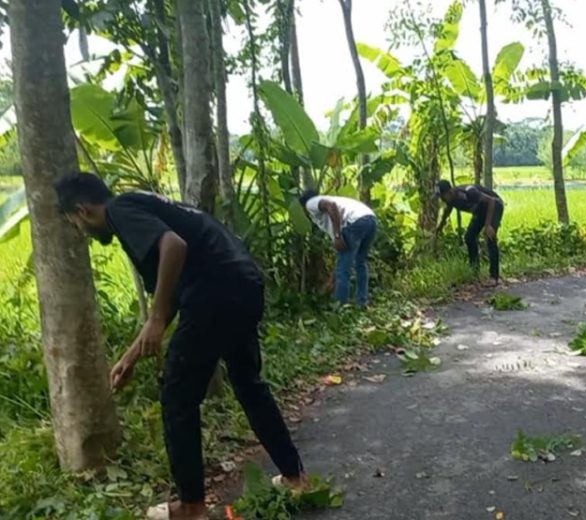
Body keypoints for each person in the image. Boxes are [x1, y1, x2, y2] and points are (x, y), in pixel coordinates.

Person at [55, 173, 305, 520]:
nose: (83, 234)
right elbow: (170, 292)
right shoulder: (144, 204)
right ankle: (294, 477)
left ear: (82, 211)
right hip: (243, 285)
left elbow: (174, 246)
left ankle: (191, 507)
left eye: (75, 225)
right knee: (248, 384)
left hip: (213, 293)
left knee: (177, 397)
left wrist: (156, 321)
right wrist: (130, 357)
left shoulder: (120, 210)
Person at [299, 190, 378, 307]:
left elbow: (331, 206)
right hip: (371, 220)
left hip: (354, 222)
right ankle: (362, 302)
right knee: (360, 262)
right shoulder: (334, 200)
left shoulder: (310, 203)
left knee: (343, 270)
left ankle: (340, 308)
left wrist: (337, 235)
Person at [435, 180, 504, 285]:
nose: (442, 200)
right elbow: (447, 210)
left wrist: (488, 225)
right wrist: (440, 227)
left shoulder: (469, 192)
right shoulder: (450, 199)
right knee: (469, 237)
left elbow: (491, 201)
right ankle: (474, 271)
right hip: (480, 211)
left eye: (443, 196)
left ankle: (494, 277)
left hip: (494, 207)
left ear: (449, 192)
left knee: (490, 237)